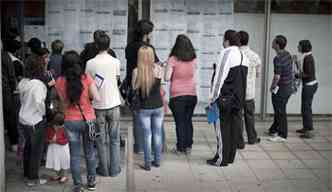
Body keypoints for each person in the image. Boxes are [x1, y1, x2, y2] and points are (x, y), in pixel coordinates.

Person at [56, 51, 100, 192]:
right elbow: (97, 98)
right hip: (88, 120)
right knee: (89, 153)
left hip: (70, 121)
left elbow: (62, 102)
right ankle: (91, 182)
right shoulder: (86, 78)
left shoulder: (60, 81)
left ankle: (77, 185)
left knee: (74, 155)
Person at [208, 30, 248, 167]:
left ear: (227, 40)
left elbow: (219, 77)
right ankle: (230, 157)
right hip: (238, 99)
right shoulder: (243, 54)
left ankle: (221, 158)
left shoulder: (227, 53)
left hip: (224, 99)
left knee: (221, 128)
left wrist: (212, 98)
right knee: (232, 128)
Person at [85, 33, 122, 177]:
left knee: (100, 140)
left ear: (96, 45)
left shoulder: (90, 63)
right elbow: (117, 79)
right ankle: (114, 169)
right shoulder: (115, 62)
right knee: (114, 139)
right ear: (109, 45)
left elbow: (88, 84)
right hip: (114, 104)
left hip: (97, 106)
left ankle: (103, 169)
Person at [125, 19, 159, 153]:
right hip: (148, 84)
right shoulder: (148, 48)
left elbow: (130, 67)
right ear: (147, 33)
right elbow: (156, 64)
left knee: (137, 118)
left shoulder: (130, 46)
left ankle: (138, 146)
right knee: (152, 118)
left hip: (133, 85)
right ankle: (153, 147)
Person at [17, 53, 47, 186]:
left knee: (28, 148)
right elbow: (39, 102)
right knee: (36, 151)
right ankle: (33, 178)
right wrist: (44, 114)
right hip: (35, 120)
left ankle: (26, 174)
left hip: (23, 119)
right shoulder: (38, 85)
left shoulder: (23, 82)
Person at [132, 46, 164, 171]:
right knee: (157, 134)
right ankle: (157, 160)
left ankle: (147, 163)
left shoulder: (136, 71)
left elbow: (134, 89)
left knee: (147, 135)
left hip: (144, 108)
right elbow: (160, 85)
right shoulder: (159, 69)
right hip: (158, 106)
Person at [165, 34, 197, 154]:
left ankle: (180, 147)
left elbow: (167, 78)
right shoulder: (194, 58)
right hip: (192, 94)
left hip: (177, 95)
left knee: (180, 122)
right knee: (188, 120)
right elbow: (193, 74)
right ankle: (188, 146)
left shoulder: (173, 59)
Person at [267, 35, 293, 142]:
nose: (272, 43)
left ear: (277, 45)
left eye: (273, 41)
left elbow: (277, 76)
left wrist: (272, 86)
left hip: (281, 88)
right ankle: (274, 129)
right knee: (279, 109)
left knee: (280, 110)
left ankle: (282, 135)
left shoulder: (277, 58)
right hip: (288, 87)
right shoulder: (287, 54)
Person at [238, 31, 261, 146]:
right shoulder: (255, 56)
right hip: (250, 92)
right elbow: (258, 74)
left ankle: (239, 141)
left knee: (238, 117)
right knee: (250, 116)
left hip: (238, 92)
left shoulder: (236, 54)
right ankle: (252, 138)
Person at [294, 40, 318, 139]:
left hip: (309, 86)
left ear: (303, 47)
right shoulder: (306, 56)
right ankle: (306, 127)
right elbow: (302, 71)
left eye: (299, 46)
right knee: (304, 108)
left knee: (306, 108)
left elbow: (306, 74)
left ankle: (310, 130)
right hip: (309, 85)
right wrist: (296, 63)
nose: (297, 47)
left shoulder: (308, 58)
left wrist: (296, 75)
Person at [2, 40, 19, 152]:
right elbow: (11, 76)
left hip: (5, 89)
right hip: (6, 90)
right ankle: (14, 143)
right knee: (11, 116)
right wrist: (14, 89)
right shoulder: (5, 57)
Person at [46, 112, 70, 183]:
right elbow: (47, 137)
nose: (56, 127)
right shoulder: (50, 128)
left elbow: (66, 140)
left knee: (64, 162)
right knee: (55, 161)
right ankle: (57, 174)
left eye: (58, 125)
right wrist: (49, 141)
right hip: (53, 148)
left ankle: (64, 175)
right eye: (54, 125)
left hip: (62, 149)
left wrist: (57, 141)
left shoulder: (64, 129)